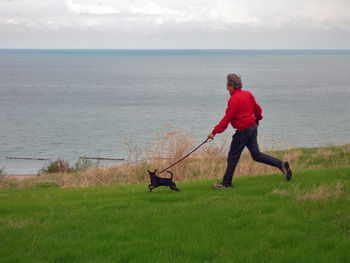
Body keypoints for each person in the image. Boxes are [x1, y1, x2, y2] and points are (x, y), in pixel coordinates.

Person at [208, 74, 292, 189]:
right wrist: (257, 119)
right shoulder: (248, 94)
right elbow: (257, 109)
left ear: (232, 85)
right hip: (252, 128)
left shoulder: (233, 99)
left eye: (227, 85)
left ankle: (226, 184)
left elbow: (227, 119)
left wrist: (214, 132)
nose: (226, 88)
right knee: (256, 155)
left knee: (232, 157)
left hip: (243, 132)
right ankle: (280, 164)